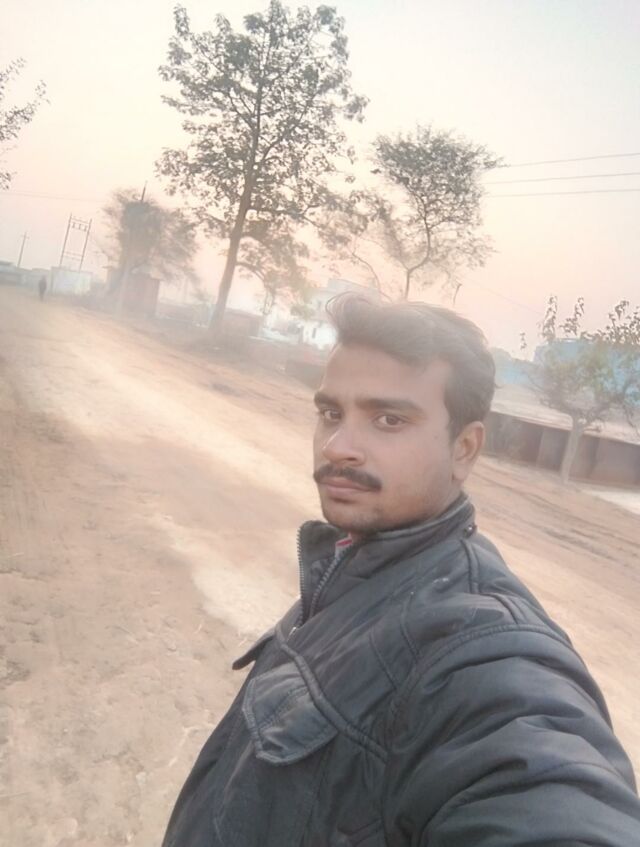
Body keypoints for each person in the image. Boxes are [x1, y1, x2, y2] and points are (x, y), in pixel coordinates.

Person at [163, 294, 640, 846]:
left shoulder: (479, 648)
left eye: (388, 420)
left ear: (465, 449)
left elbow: (544, 785)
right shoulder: (351, 563)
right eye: (330, 414)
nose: (338, 447)